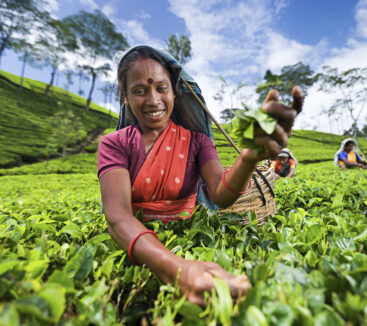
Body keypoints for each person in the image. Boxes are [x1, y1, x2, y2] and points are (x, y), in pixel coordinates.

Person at [97, 45, 304, 305]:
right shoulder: (114, 144)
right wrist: (175, 269)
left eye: (162, 88)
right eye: (139, 91)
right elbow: (117, 216)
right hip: (136, 249)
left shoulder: (197, 141)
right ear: (125, 97)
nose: (153, 100)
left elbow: (220, 192)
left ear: (174, 91)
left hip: (192, 237)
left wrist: (249, 157)